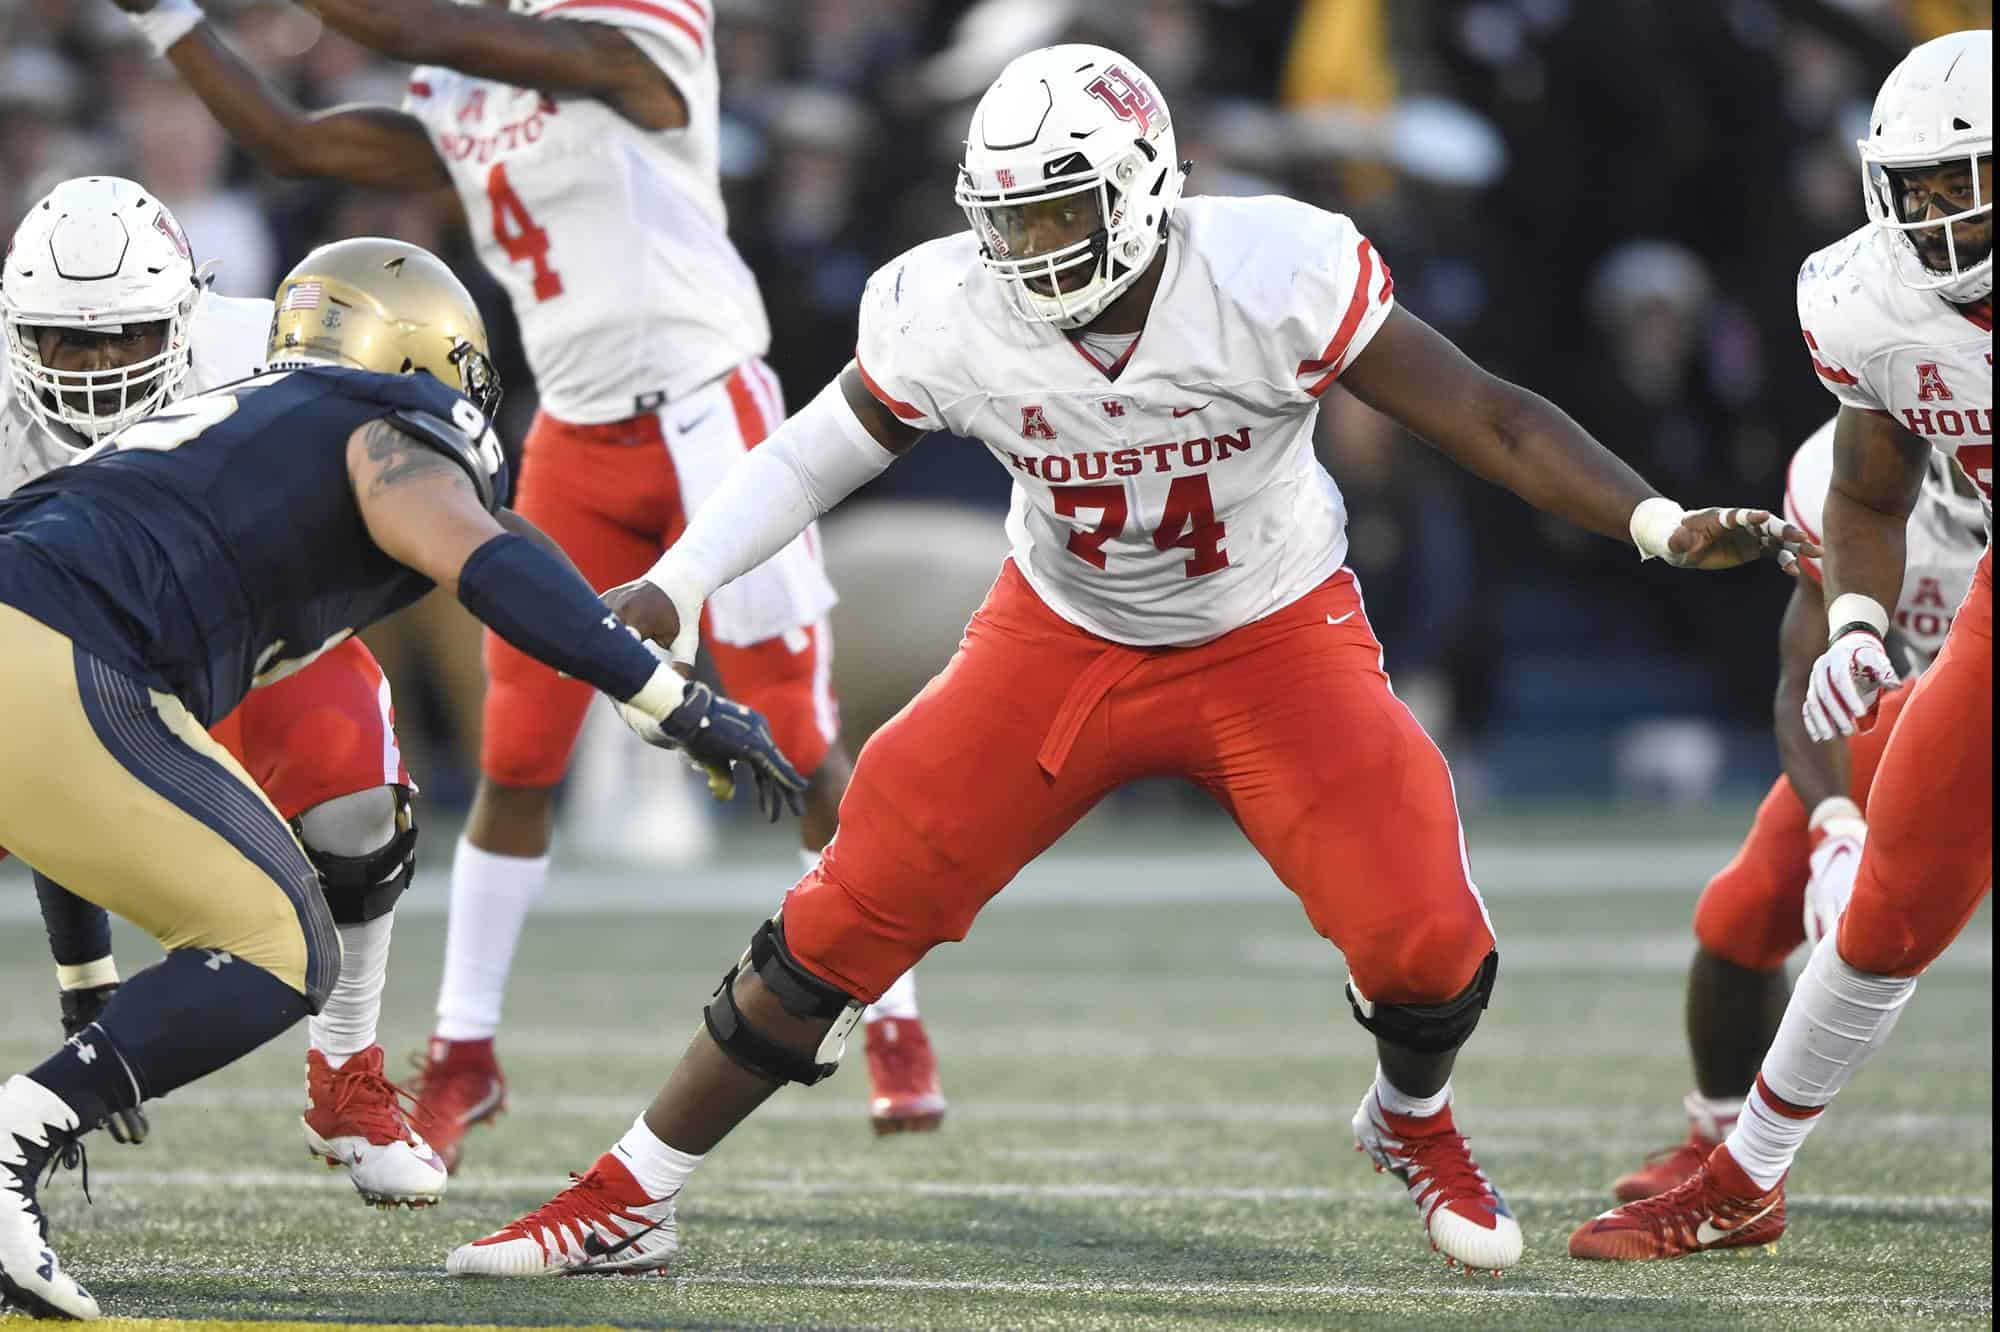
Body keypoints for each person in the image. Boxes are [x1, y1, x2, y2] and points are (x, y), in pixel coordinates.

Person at [442, 44, 1813, 1280]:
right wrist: (683, 581)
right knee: (846, 908)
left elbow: (1490, 418)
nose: (1031, 252)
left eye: (1059, 214)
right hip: (1062, 639)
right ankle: (631, 1193)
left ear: (1147, 186)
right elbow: (817, 448)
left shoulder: (1273, 270)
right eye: (1008, 222)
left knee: (1430, 947)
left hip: (1272, 633)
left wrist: (1649, 516)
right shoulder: (950, 306)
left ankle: (1411, 1119)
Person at [107, 0, 945, 1161]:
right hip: (579, 434)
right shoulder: (464, 82)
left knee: (798, 737)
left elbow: (481, 44)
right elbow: (297, 139)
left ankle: (893, 1020)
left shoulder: (632, 34)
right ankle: (462, 1053)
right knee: (517, 753)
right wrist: (173, 21)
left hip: (715, 412)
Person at [0, 236, 802, 1318]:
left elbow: (56, 774)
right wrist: (671, 698)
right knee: (281, 944)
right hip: (57, 649)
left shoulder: (246, 424)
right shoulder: (378, 420)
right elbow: (482, 554)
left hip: (41, 641)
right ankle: (17, 1141)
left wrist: (89, 983)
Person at [1570, 27, 1991, 1260]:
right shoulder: (1868, 304)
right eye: (1910, 191)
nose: (1930, 220)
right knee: (1885, 894)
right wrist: (1858, 620)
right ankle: (1739, 1169)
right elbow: (1863, 498)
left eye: (1956, 187)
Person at [1, 173, 449, 1208]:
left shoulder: (273, 354)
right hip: (43, 663)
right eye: (67, 343)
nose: (99, 369)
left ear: (192, 314)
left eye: (128, 336)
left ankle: (347, 1078)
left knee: (357, 800)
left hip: (234, 637)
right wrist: (84, 974)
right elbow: (37, 732)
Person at [1607, 418, 1985, 1205]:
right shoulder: (1852, 464)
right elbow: (1802, 672)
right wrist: (1836, 824)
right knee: (1740, 915)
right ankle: (1721, 1139)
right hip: (1921, 715)